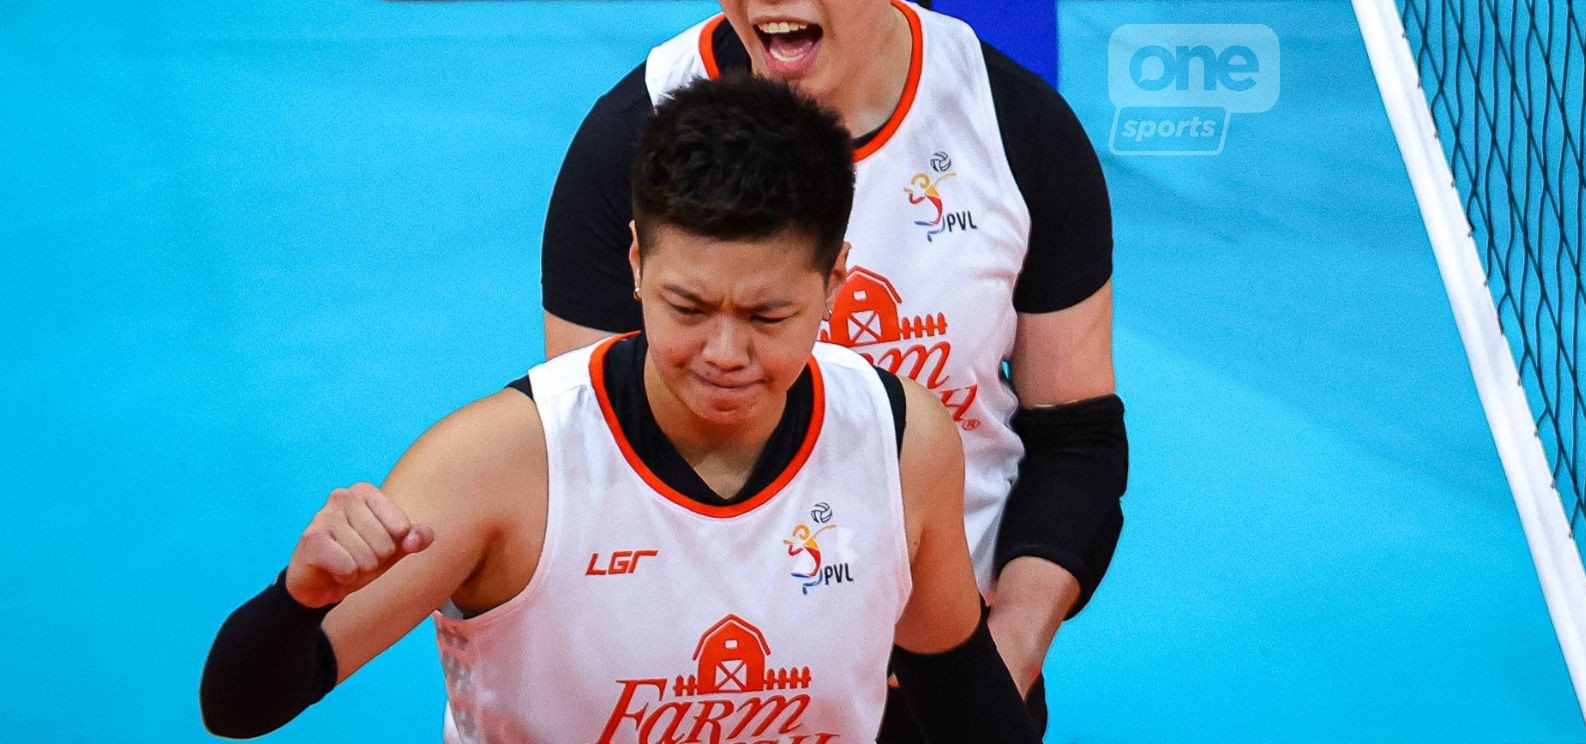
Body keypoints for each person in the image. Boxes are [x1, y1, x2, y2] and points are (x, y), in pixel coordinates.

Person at [541, 0, 1127, 738]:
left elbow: (1077, 437)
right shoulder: (630, 144)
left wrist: (1000, 655)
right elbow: (589, 455)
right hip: (711, 690)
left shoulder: (1016, 132)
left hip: (952, 672)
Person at [202, 77, 1040, 744]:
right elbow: (239, 708)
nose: (724, 352)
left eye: (767, 316)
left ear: (835, 285)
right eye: (688, 306)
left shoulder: (899, 441)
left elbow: (960, 700)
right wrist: (299, 598)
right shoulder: (503, 465)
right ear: (636, 264)